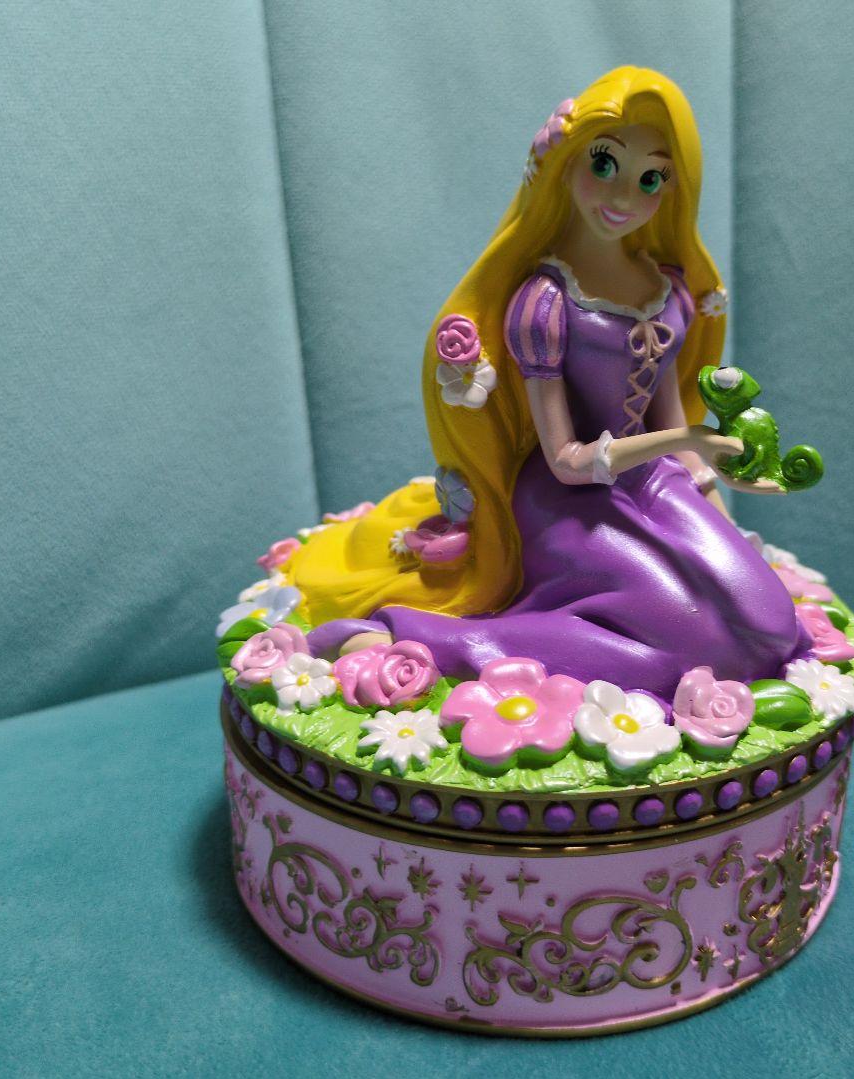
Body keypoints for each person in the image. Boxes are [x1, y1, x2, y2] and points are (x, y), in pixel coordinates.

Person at [294, 66, 806, 700]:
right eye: (604, 164)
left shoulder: (670, 290)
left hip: (653, 483)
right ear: (563, 165)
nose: (623, 196)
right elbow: (566, 459)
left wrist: (717, 485)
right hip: (568, 500)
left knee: (770, 630)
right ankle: (418, 636)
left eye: (651, 179)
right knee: (694, 648)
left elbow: (670, 425)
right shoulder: (546, 302)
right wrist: (689, 440)